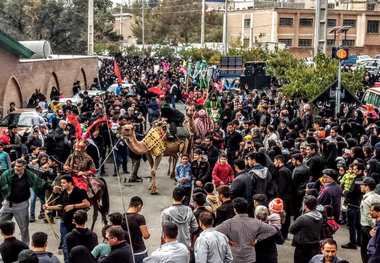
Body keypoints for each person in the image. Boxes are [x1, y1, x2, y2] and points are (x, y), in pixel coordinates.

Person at [0, 158, 49, 244]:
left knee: (24, 228)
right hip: (7, 204)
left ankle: (25, 246)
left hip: (21, 205)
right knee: (1, 223)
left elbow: (40, 183)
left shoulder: (29, 175)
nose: (16, 168)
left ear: (24, 167)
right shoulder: (7, 174)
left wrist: (52, 187)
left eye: (19, 166)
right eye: (15, 166)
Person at [216, 197, 277, 263]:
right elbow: (273, 230)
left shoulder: (228, 223)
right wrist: (257, 239)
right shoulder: (255, 222)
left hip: (235, 256)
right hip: (250, 257)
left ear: (235, 210)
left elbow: (215, 231)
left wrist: (228, 240)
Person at [44, 175, 90, 256]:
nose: (61, 185)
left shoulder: (80, 191)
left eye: (63, 183)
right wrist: (49, 207)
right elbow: (61, 206)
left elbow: (87, 204)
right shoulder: (64, 193)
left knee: (74, 242)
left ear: (70, 183)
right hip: (64, 220)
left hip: (76, 222)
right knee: (65, 239)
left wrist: (73, 206)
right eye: (61, 183)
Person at [289, 195, 322, 263]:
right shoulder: (320, 216)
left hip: (303, 247)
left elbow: (291, 230)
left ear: (305, 205)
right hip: (315, 245)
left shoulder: (303, 218)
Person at [360, 177, 380, 263]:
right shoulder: (378, 197)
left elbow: (368, 216)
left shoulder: (366, 199)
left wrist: (374, 227)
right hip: (376, 226)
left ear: (367, 187)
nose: (360, 186)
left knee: (366, 250)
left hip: (367, 228)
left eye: (362, 185)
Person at [126, 196, 150, 263]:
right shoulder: (139, 218)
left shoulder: (122, 217)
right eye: (141, 208)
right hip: (139, 251)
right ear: (139, 206)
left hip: (127, 252)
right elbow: (146, 236)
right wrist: (148, 234)